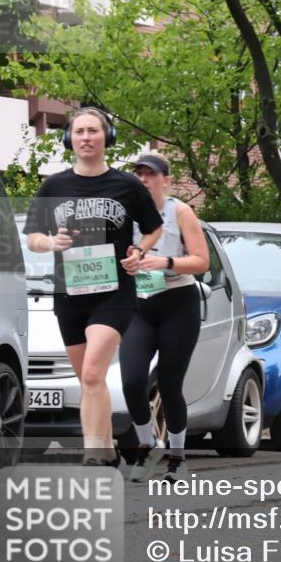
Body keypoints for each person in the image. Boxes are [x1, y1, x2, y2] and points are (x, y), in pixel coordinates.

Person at [24, 108, 162, 465]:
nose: (86, 137)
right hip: (69, 291)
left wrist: (140, 251)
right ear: (70, 139)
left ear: (107, 137)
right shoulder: (54, 185)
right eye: (79, 131)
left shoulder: (127, 186)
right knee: (90, 380)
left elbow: (153, 227)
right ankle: (107, 451)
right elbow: (33, 238)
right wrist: (51, 244)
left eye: (93, 131)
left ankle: (92, 453)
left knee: (92, 372)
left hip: (114, 290)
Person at [120, 153, 210, 483]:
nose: (144, 179)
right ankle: (148, 445)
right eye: (139, 174)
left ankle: (178, 459)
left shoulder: (180, 212)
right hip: (138, 305)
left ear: (166, 180)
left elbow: (202, 262)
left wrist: (167, 262)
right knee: (131, 381)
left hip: (177, 303)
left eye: (150, 174)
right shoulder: (126, 214)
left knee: (170, 384)